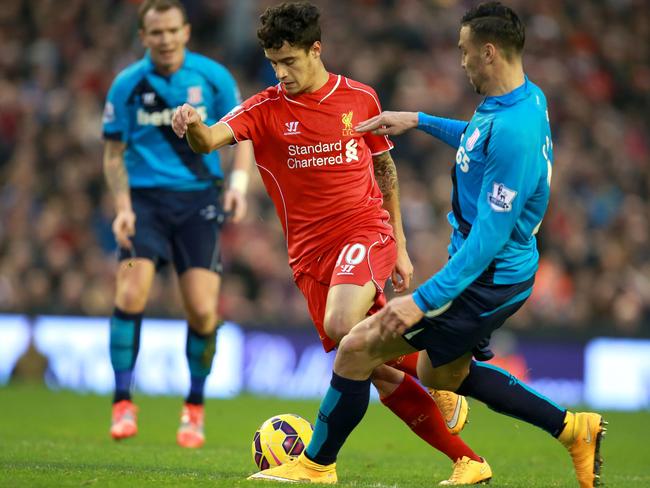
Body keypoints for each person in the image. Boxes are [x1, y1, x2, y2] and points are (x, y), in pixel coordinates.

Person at [247, 2, 606, 487]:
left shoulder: (516, 133)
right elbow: (478, 137)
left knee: (355, 348)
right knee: (442, 376)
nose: (459, 61)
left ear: (488, 52)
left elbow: (489, 238)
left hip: (485, 277)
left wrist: (423, 300)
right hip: (500, 272)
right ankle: (571, 430)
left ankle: (315, 465)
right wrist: (417, 119)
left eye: (463, 52)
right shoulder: (524, 100)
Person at [173, 2, 491, 484]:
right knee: (377, 369)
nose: (281, 73)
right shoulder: (264, 109)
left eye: (290, 61)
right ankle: (467, 458)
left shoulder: (359, 98)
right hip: (309, 259)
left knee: (344, 326)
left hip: (364, 232)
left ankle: (429, 373)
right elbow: (208, 140)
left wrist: (400, 245)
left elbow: (384, 170)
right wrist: (192, 124)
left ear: (315, 49)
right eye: (273, 63)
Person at [102, 0, 253, 448]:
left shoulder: (213, 77)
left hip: (198, 204)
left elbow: (243, 133)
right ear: (143, 37)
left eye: (172, 30)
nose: (165, 39)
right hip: (145, 205)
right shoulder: (126, 85)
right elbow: (113, 153)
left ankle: (194, 406)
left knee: (204, 311)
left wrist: (238, 185)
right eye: (156, 33)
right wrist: (122, 206)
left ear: (186, 31)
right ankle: (122, 401)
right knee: (130, 291)